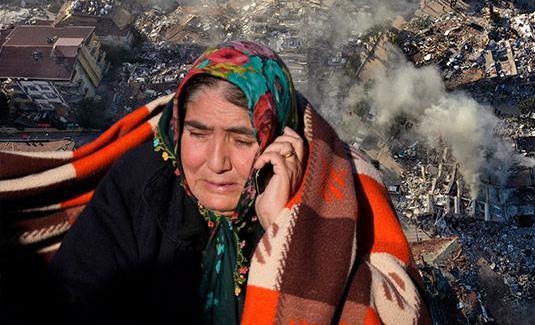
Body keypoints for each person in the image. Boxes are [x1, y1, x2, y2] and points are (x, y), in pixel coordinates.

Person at [48, 41, 430, 324]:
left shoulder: (329, 196)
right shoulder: (144, 181)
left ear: (279, 138)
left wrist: (285, 232)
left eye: (243, 139)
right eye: (198, 134)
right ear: (178, 128)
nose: (216, 163)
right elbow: (71, 296)